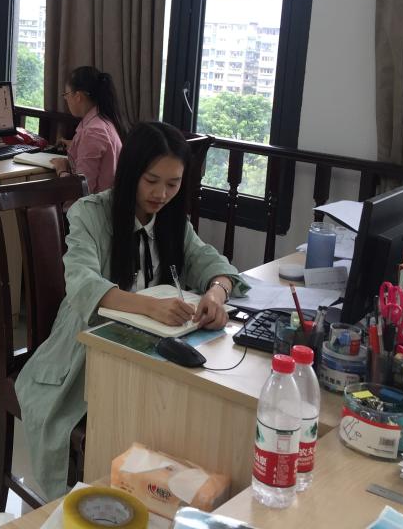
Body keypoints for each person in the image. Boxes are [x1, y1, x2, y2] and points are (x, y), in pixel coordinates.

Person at [15, 121, 249, 499]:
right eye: (151, 180)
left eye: (173, 184)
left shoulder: (172, 219)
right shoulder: (91, 213)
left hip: (150, 346)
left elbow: (211, 262)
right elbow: (82, 283)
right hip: (86, 346)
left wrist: (217, 293)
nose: (161, 194)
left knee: (188, 412)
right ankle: (110, 495)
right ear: (130, 173)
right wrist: (149, 307)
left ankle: (163, 496)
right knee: (137, 412)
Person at [51, 66, 125, 192]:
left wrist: (62, 170)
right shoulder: (104, 122)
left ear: (78, 96)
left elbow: (83, 190)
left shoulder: (93, 132)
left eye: (66, 94)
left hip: (94, 204)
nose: (66, 99)